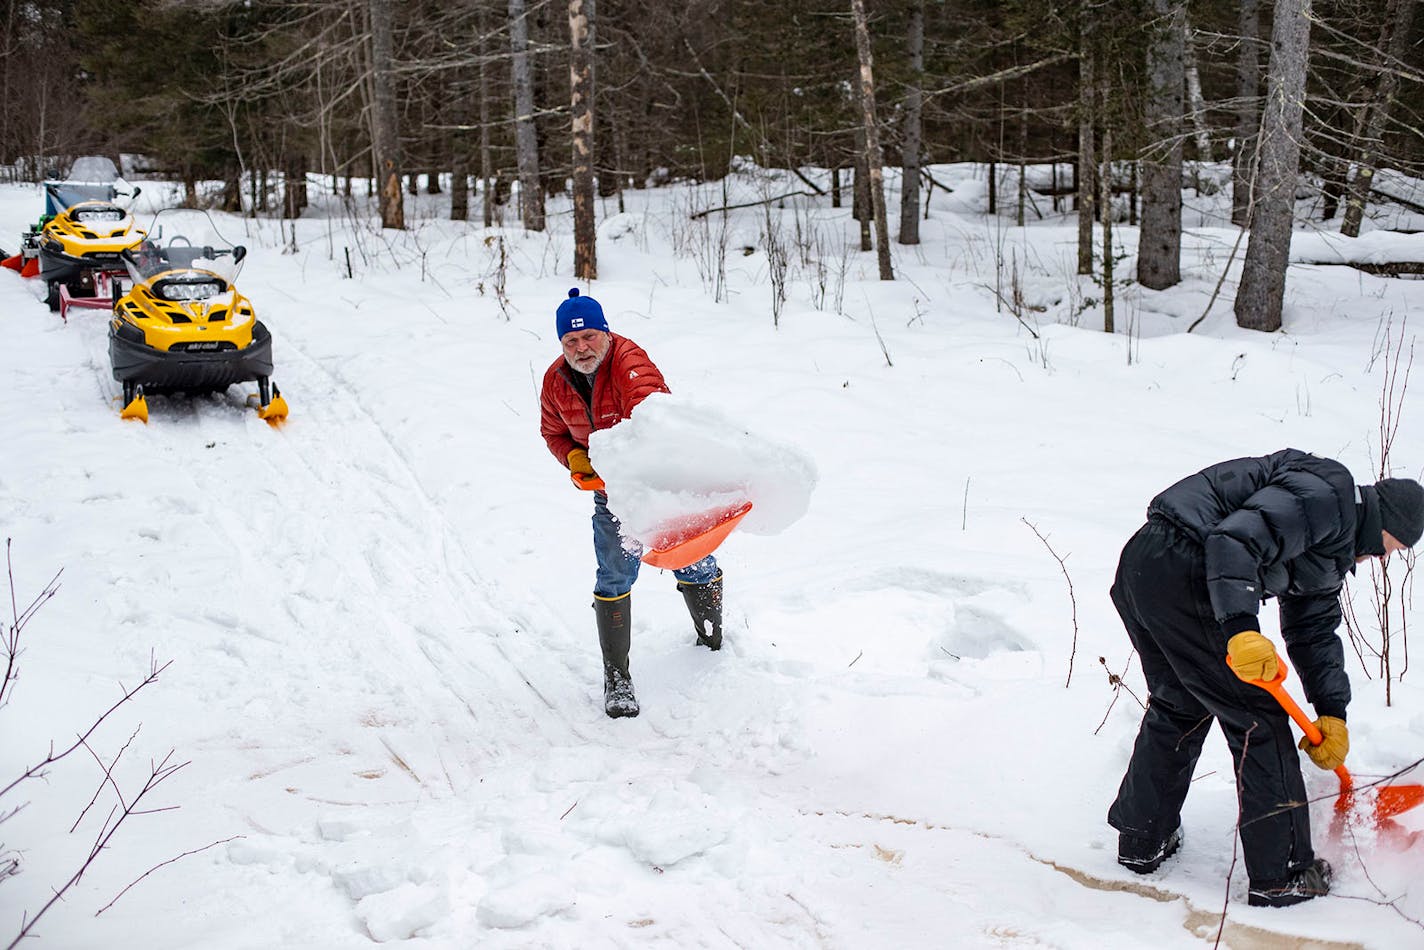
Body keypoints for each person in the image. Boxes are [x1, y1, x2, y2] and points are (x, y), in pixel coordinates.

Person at [1107, 448, 1424, 907]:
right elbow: (1233, 542)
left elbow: (1313, 627)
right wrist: (1240, 629)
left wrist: (1331, 711)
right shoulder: (1326, 495)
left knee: (1181, 702)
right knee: (1259, 719)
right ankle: (1282, 875)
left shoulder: (1329, 539)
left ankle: (1142, 838)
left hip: (1148, 566)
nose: (1383, 558)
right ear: (1386, 525)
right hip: (1188, 565)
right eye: (1393, 548)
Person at [539, 288, 723, 719]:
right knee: (614, 576)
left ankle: (712, 639)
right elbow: (554, 433)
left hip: (661, 485)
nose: (581, 348)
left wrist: (616, 458)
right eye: (571, 342)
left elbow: (654, 419)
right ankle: (617, 679)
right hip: (612, 494)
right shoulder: (554, 380)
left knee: (691, 561)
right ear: (561, 344)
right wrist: (574, 457)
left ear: (605, 332)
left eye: (589, 338)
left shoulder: (629, 363)